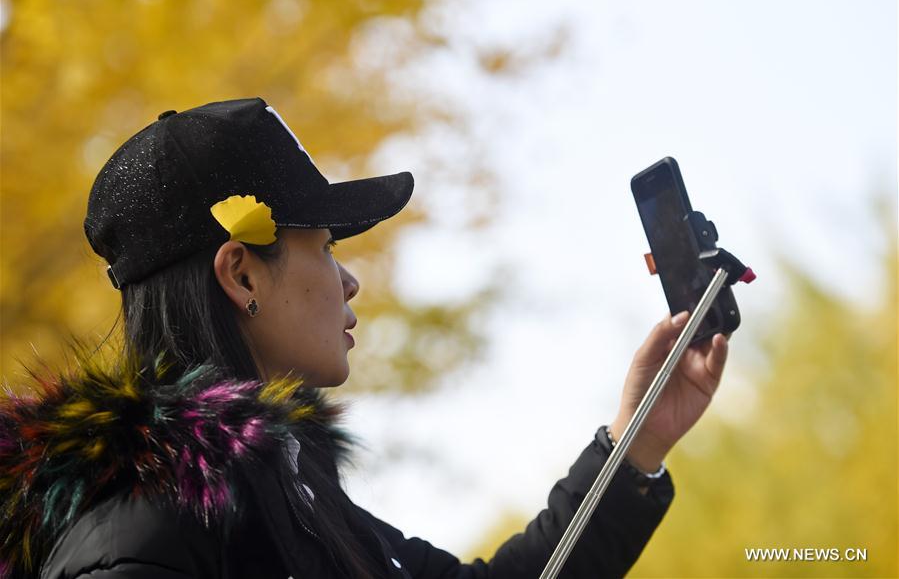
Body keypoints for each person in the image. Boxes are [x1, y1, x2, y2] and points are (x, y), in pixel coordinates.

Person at [0, 98, 729, 579]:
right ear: (241, 274)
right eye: (324, 246)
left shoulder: (294, 499)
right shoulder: (144, 533)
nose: (349, 281)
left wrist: (636, 441)